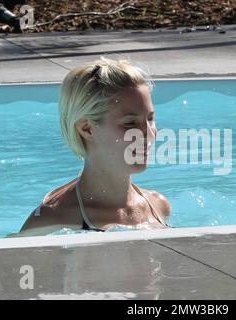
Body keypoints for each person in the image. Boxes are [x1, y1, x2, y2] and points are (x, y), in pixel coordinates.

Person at [19, 57, 171, 236]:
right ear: (87, 129)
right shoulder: (51, 221)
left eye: (150, 119)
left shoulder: (158, 206)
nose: (149, 133)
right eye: (130, 123)